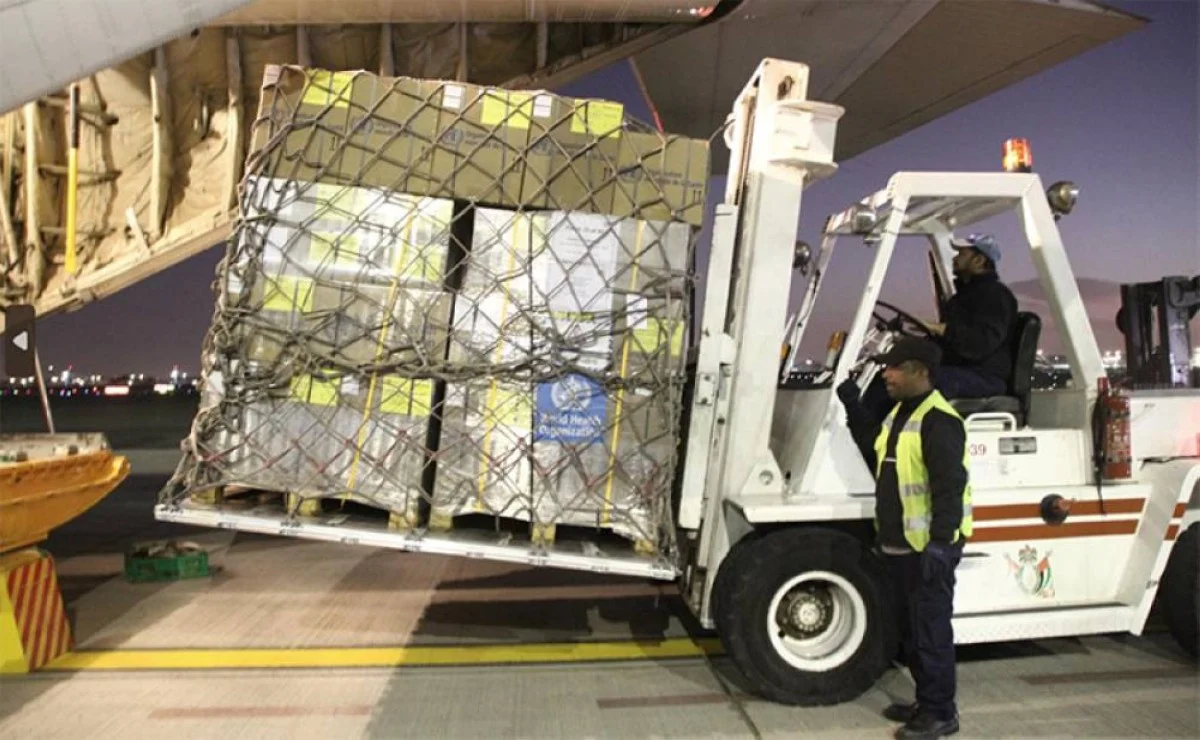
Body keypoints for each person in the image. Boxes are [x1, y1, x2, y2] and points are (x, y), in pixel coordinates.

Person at [836, 337, 972, 740]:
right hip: (901, 547)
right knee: (912, 632)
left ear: (921, 372)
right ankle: (926, 700)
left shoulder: (939, 420)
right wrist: (852, 405)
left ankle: (941, 713)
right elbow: (872, 447)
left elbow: (949, 487)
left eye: (895, 367)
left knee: (930, 633)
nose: (886, 374)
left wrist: (941, 544)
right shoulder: (900, 415)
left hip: (927, 549)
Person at [862, 233, 1018, 421]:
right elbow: (947, 342)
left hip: (983, 376)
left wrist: (941, 329)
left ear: (979, 260)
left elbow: (982, 342)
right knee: (884, 378)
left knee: (908, 383)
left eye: (962, 254)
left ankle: (880, 434)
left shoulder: (996, 296)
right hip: (958, 370)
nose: (955, 258)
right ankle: (869, 433)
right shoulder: (960, 299)